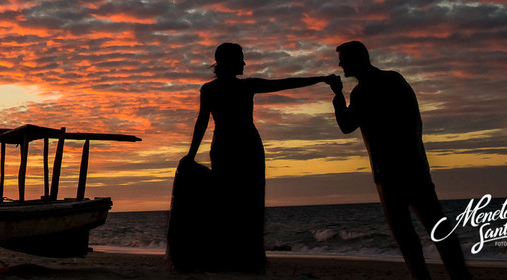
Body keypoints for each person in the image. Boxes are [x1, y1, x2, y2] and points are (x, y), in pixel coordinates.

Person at [179, 43, 337, 273]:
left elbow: (286, 83)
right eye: (241, 59)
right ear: (229, 62)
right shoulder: (232, 87)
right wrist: (190, 155)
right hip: (238, 149)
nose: (244, 63)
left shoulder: (221, 88)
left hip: (234, 148)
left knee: (236, 202)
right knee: (239, 202)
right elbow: (201, 122)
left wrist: (320, 78)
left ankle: (243, 256)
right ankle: (238, 256)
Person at [329, 41, 472, 280]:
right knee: (438, 229)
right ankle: (460, 276)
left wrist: (337, 97)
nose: (340, 64)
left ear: (358, 59)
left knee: (408, 236)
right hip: (413, 166)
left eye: (343, 59)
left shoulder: (363, 92)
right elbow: (415, 123)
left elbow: (346, 125)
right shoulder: (394, 80)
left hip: (388, 173)